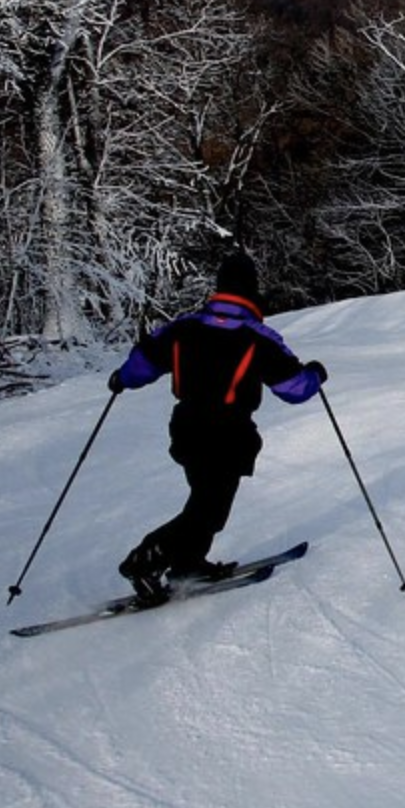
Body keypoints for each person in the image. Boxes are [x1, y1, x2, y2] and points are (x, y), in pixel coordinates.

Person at [107, 249, 326, 601]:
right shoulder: (257, 336)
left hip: (187, 427)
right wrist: (315, 375)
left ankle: (187, 564)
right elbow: (294, 389)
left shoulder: (184, 328)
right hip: (228, 432)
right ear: (252, 289)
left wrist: (121, 379)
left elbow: (144, 361)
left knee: (205, 500)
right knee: (210, 508)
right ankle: (146, 559)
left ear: (220, 286)